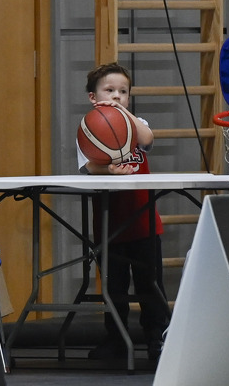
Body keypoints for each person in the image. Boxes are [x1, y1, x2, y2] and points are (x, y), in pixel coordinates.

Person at [77, 62, 168, 365]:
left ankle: (157, 338)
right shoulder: (88, 128)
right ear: (93, 97)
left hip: (143, 219)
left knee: (150, 283)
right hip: (110, 221)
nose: (116, 96)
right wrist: (109, 170)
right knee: (114, 287)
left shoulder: (135, 122)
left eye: (123, 91)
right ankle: (116, 340)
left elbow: (147, 139)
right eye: (109, 90)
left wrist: (124, 114)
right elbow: (89, 166)